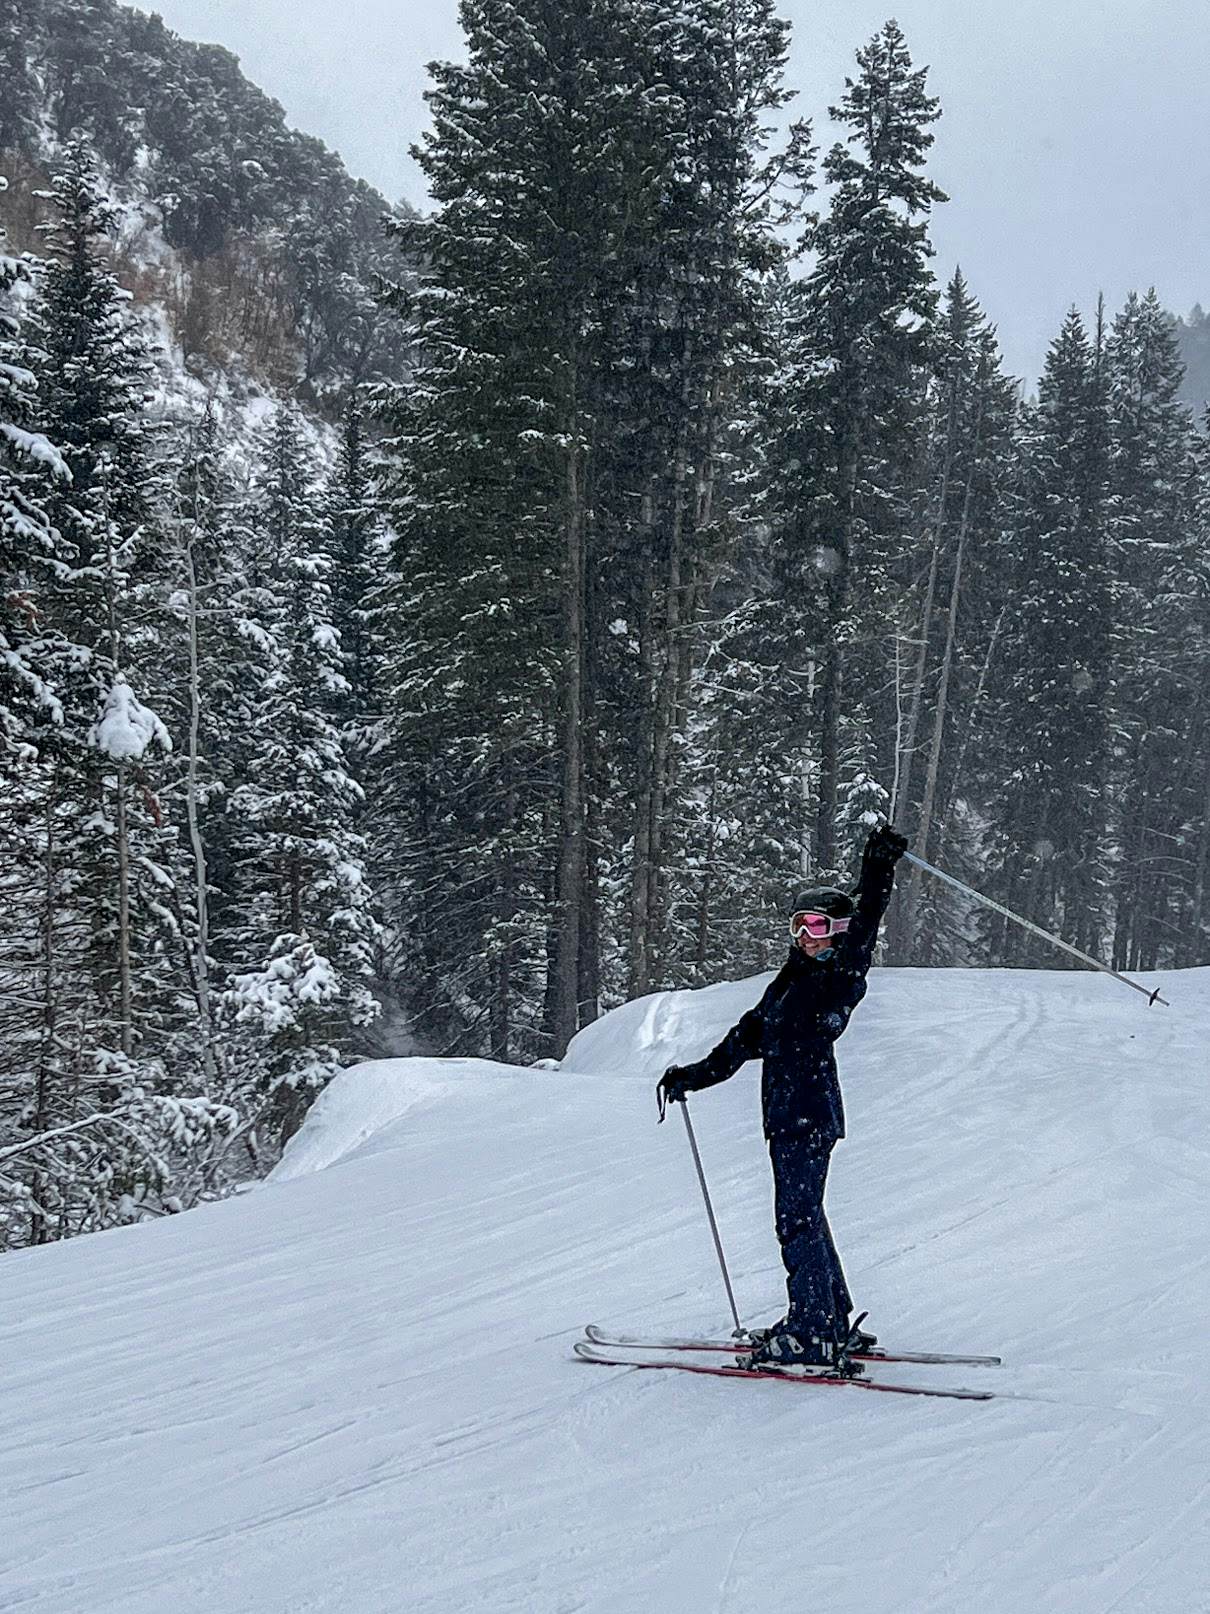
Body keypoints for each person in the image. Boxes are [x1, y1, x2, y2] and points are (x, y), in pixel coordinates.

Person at [657, 822, 909, 1372]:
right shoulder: (790, 981)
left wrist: (879, 869)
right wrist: (692, 1076)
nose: (804, 934)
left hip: (808, 1115)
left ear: (837, 929)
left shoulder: (839, 974)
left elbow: (866, 924)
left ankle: (814, 1329)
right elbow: (747, 1036)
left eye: (815, 924)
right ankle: (831, 1317)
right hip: (788, 1118)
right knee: (805, 1216)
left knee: (795, 1219)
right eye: (797, 924)